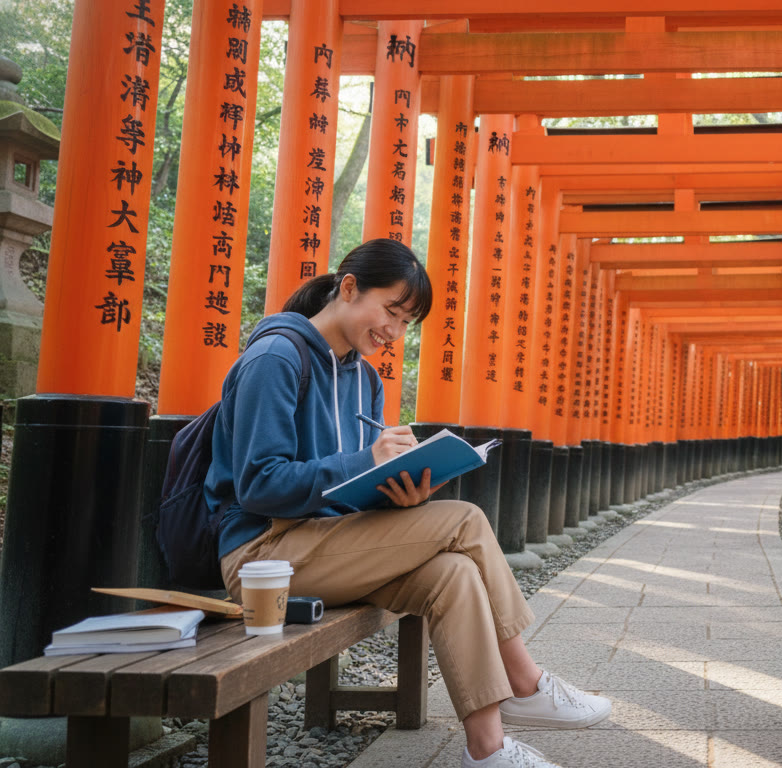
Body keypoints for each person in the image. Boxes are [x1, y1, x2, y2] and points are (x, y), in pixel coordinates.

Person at [205, 239, 607, 768]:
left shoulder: (365, 380)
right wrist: (363, 462)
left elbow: (348, 493)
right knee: (466, 519)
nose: (393, 332)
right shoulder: (276, 357)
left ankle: (486, 751)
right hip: (265, 558)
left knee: (454, 574)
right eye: (390, 312)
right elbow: (259, 484)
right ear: (349, 288)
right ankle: (525, 682)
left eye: (404, 322)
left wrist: (400, 493)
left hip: (330, 545)